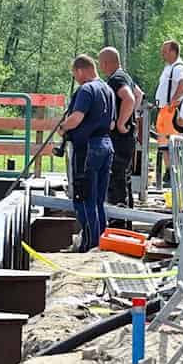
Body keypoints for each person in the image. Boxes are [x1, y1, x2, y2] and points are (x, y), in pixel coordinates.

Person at [64, 54, 116, 252]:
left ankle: (88, 244)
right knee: (99, 199)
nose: (76, 78)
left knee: (84, 198)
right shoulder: (108, 89)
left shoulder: (86, 89)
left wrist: (63, 128)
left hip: (87, 148)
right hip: (106, 144)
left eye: (74, 74)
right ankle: (101, 240)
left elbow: (76, 118)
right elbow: (111, 122)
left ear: (80, 70)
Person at [98, 47, 142, 219]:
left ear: (107, 63)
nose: (101, 68)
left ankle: (118, 221)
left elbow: (130, 98)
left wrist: (122, 122)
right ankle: (127, 219)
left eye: (101, 64)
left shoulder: (116, 79)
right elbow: (139, 94)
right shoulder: (126, 76)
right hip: (127, 137)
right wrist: (133, 116)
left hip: (120, 136)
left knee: (117, 177)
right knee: (125, 176)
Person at [152, 40, 183, 186]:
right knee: (163, 144)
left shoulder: (179, 67)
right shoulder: (169, 67)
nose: (162, 54)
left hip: (170, 111)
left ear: (174, 52)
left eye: (165, 51)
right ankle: (170, 173)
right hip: (163, 110)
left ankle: (174, 175)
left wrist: (173, 101)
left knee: (171, 144)